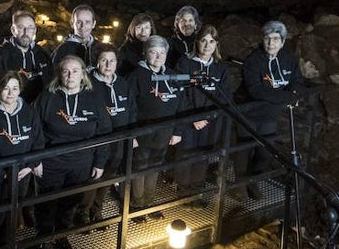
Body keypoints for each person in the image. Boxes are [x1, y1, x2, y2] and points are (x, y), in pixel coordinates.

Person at [31, 55, 110, 249]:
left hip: (81, 162)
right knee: (46, 203)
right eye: (66, 71)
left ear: (83, 74)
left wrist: (100, 161)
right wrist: (35, 160)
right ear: (59, 74)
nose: (70, 75)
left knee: (70, 202)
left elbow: (104, 132)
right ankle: (42, 237)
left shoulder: (94, 99)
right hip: (51, 162)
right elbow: (34, 130)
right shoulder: (47, 98)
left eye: (75, 71)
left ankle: (61, 236)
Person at [0, 70, 43, 249]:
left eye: (15, 88)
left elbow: (38, 141)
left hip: (22, 174)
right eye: (6, 88)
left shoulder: (29, 112)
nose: (10, 93)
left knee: (14, 212)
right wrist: (2, 171)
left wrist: (29, 166)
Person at [238, 20, 301, 199]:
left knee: (265, 151)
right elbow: (256, 91)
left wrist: (291, 93)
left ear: (282, 42)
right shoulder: (253, 61)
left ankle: (254, 181)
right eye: (267, 38)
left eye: (275, 39)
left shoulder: (289, 59)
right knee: (243, 150)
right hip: (248, 113)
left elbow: (297, 82)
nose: (270, 43)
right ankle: (240, 187)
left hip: (269, 115)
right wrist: (287, 97)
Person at [175, 25, 235, 196]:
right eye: (203, 41)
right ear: (197, 42)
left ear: (216, 45)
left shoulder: (221, 68)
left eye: (211, 41)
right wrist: (193, 118)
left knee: (203, 155)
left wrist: (208, 117)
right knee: (185, 155)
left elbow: (225, 95)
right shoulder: (184, 63)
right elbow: (180, 93)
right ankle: (183, 192)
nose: (207, 45)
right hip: (188, 121)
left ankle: (197, 190)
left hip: (210, 122)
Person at [127, 36, 184, 214]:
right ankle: (137, 204)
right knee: (139, 166)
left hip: (164, 131)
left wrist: (177, 131)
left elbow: (181, 104)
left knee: (155, 165)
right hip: (142, 132)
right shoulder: (136, 76)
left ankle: (149, 202)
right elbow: (129, 108)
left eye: (162, 52)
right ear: (145, 53)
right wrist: (132, 135)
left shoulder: (174, 75)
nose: (158, 57)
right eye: (153, 52)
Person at [83, 46, 135, 223]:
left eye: (112, 60)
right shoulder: (88, 84)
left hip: (118, 139)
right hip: (97, 141)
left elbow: (132, 109)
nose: (108, 64)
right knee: (93, 177)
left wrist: (131, 135)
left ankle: (97, 210)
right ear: (97, 62)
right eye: (104, 60)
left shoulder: (122, 83)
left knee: (108, 177)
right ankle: (83, 213)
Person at [0, 10, 52, 103]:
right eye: (21, 27)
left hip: (39, 111)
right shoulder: (1, 56)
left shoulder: (42, 54)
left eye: (30, 28)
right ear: (13, 30)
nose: (26, 32)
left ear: (35, 30)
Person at [51, 5, 101, 70]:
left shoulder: (100, 49)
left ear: (93, 24)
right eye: (79, 22)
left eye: (87, 22)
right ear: (72, 23)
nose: (83, 26)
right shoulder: (62, 51)